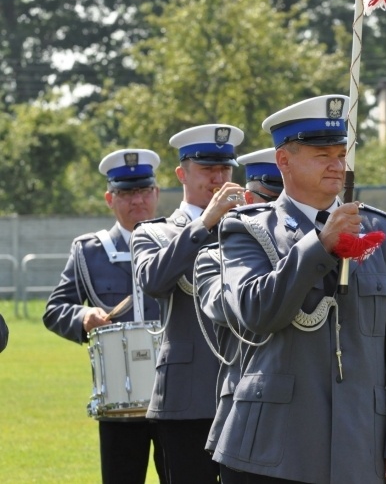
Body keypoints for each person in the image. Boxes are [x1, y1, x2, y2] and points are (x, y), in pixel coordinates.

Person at [212, 94, 386, 483]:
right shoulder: (246, 229)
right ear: (284, 160)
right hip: (273, 450)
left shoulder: (384, 232)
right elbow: (257, 312)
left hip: (360, 445)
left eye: (341, 154)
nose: (337, 165)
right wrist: (320, 245)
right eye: (322, 155)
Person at [42, 148, 165, 484]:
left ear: (156, 193)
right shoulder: (89, 251)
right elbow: (55, 309)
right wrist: (83, 316)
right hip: (119, 400)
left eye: (144, 191)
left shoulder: (178, 241)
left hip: (176, 395)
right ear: (110, 199)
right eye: (126, 193)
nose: (137, 200)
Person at [130, 124, 245, 484]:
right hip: (188, 397)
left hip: (246, 391)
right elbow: (154, 280)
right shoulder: (154, 232)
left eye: (225, 168)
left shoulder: (247, 228)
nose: (219, 178)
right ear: (182, 174)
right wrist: (205, 223)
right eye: (207, 168)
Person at [194, 147, 284, 484]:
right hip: (247, 415)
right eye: (269, 199)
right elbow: (235, 309)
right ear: (246, 198)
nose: (277, 211)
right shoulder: (214, 258)